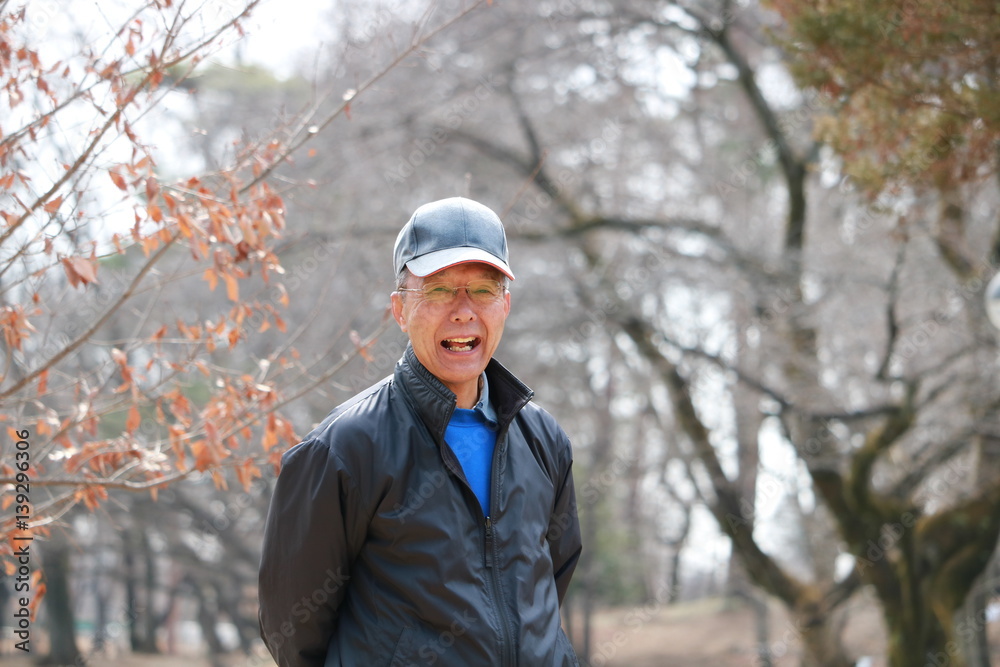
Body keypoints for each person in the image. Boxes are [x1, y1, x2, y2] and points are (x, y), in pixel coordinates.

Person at [258, 196, 582, 666]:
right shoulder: (344, 448)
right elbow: (293, 629)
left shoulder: (545, 440)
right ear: (399, 309)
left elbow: (550, 586)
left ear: (506, 305)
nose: (463, 311)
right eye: (439, 290)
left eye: (483, 290)